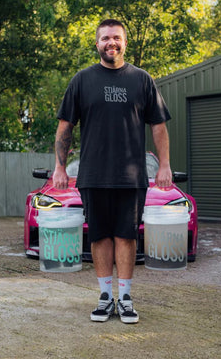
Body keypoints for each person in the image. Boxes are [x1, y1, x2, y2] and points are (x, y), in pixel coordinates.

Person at [53, 19, 172, 324]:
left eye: (116, 37)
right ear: (97, 44)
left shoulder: (142, 80)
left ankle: (126, 297)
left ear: (124, 43)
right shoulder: (82, 80)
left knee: (127, 235)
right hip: (93, 174)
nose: (111, 42)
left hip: (130, 177)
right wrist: (60, 166)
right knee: (100, 235)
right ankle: (105, 297)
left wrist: (165, 165)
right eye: (105, 38)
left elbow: (158, 126)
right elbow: (65, 125)